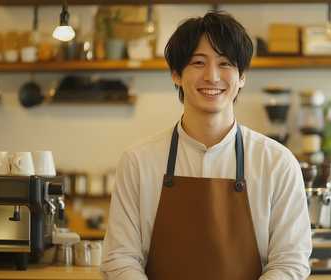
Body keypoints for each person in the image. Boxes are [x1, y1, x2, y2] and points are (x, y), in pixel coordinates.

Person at [101, 11, 312, 280]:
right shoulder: (138, 161)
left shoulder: (277, 163)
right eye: (198, 62)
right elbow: (120, 258)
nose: (212, 76)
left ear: (242, 76)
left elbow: (290, 261)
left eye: (225, 63)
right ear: (176, 74)